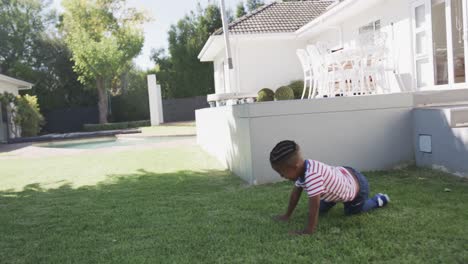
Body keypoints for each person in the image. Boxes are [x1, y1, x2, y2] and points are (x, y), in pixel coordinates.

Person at [270, 140, 390, 235]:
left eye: (282, 172)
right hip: (344, 174)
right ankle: (333, 198)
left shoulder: (312, 175)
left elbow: (314, 205)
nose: (282, 176)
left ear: (295, 167)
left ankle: (379, 200)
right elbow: (295, 194)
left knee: (351, 212)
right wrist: (286, 215)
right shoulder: (304, 167)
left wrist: (308, 230)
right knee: (321, 210)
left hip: (356, 188)